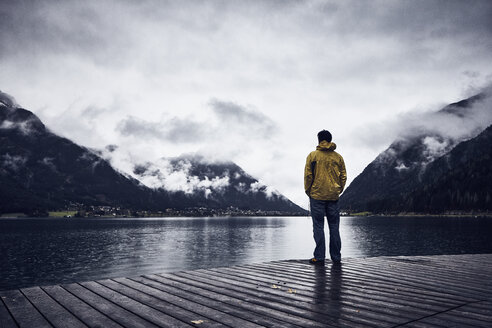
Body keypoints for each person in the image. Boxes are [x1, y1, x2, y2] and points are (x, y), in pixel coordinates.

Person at [304, 130, 347, 265]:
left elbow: (308, 175)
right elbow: (343, 176)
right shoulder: (338, 157)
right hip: (333, 196)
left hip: (316, 195)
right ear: (330, 139)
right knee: (334, 227)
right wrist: (338, 189)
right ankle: (336, 257)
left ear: (319, 140)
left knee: (318, 226)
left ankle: (320, 257)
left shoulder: (313, 156)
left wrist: (308, 190)